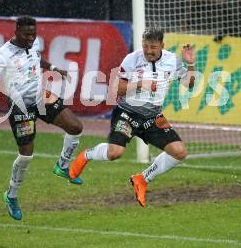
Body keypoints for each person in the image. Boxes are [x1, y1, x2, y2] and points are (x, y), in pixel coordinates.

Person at [69, 29, 196, 207]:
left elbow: (189, 84)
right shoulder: (132, 59)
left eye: (153, 47)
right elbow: (116, 88)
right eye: (145, 46)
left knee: (179, 152)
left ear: (162, 46)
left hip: (152, 116)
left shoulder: (172, 60)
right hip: (127, 113)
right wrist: (140, 84)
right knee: (115, 153)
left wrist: (190, 64)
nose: (149, 50)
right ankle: (87, 155)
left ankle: (142, 179)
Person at [0, 15, 83, 220]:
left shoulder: (34, 42)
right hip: (20, 106)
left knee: (75, 126)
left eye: (33, 34)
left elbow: (36, 57)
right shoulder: (3, 54)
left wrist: (54, 68)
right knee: (27, 154)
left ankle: (62, 166)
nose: (30, 38)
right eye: (26, 34)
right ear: (16, 30)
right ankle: (11, 195)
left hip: (40, 97)